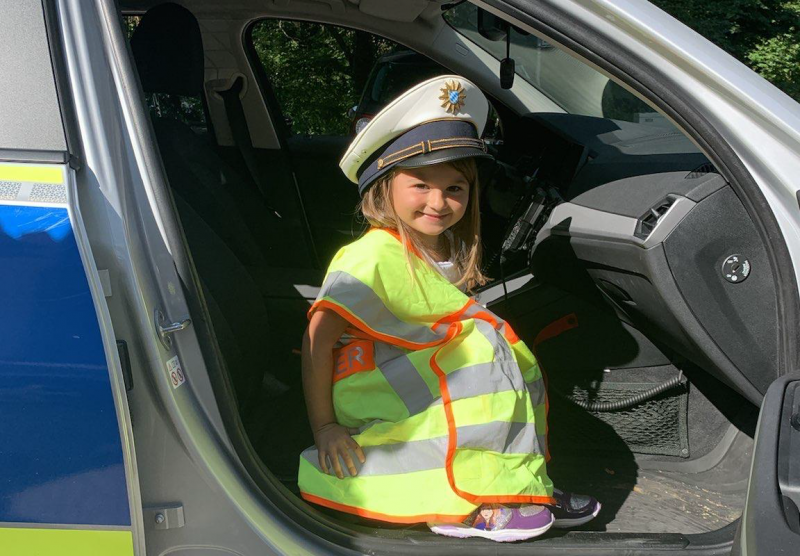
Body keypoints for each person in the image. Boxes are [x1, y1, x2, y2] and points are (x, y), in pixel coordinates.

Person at [298, 75, 600, 542]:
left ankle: (519, 485)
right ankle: (464, 501)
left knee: (499, 351)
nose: (439, 202)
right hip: (375, 389)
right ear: (383, 185)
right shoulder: (369, 256)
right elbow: (317, 340)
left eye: (455, 189)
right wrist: (325, 427)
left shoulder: (439, 252)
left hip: (410, 377)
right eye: (421, 184)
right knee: (479, 350)